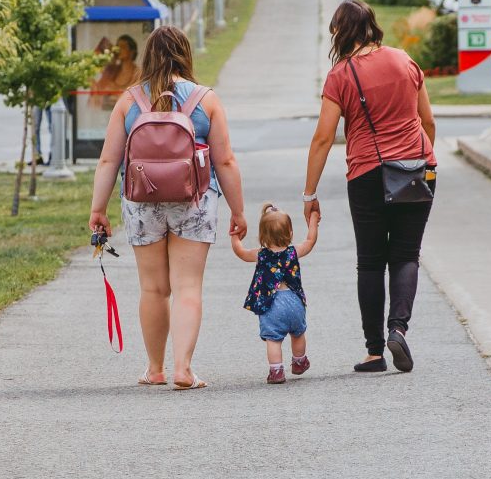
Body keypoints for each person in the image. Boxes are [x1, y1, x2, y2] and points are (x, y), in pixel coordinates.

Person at [88, 24, 246, 389]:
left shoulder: (129, 100)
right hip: (194, 199)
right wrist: (238, 211)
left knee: (153, 289)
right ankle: (183, 369)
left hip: (141, 202)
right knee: (188, 287)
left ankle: (155, 368)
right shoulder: (205, 100)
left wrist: (99, 208)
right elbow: (226, 162)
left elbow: (108, 161)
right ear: (185, 54)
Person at [303, 0, 437, 374]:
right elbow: (428, 121)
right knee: (407, 255)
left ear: (339, 32)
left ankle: (375, 352)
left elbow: (323, 139)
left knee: (371, 262)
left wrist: (309, 194)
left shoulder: (341, 75)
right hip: (418, 168)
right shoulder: (404, 60)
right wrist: (420, 161)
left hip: (368, 173)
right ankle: (398, 328)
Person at [232, 201, 320, 384]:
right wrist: (313, 220)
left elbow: (240, 252)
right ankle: (299, 361)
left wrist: (235, 236)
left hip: (271, 304)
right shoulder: (293, 252)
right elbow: (310, 241)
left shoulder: (260, 254)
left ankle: (276, 370)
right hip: (294, 301)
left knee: (273, 340)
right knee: (298, 333)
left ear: (262, 235)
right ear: (290, 233)